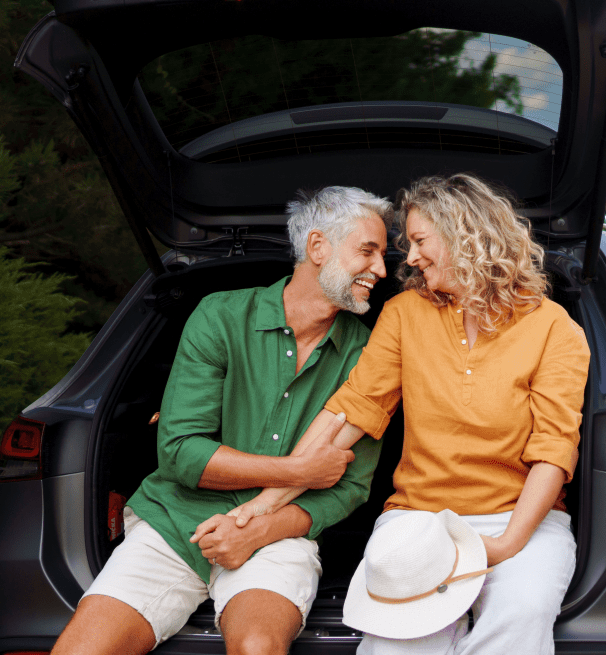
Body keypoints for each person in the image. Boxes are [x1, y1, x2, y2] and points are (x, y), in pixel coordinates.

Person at [232, 173, 591, 654]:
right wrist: (263, 503)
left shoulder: (554, 329)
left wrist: (505, 545)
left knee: (519, 616)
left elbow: (553, 452)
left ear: (466, 234)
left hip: (521, 516)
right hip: (420, 517)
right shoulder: (404, 312)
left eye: (420, 241)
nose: (412, 257)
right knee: (399, 642)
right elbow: (351, 413)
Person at [51, 186, 393, 655]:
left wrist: (258, 527)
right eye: (368, 252)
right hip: (174, 522)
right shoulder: (220, 316)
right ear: (318, 247)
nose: (381, 270)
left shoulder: (370, 353)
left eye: (383, 256)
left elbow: (350, 486)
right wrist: (297, 472)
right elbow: (179, 450)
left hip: (279, 535)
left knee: (256, 647)